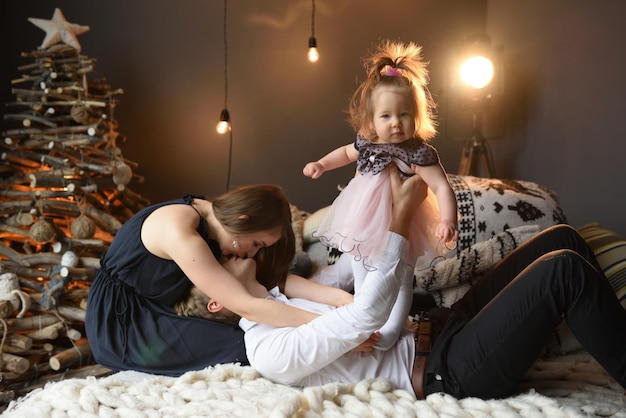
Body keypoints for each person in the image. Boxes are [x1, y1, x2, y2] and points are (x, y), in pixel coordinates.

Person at [200, 172, 626, 400]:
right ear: (217, 302)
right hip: (450, 369)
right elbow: (373, 320)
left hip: (441, 326)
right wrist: (399, 224)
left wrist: (382, 215)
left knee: (562, 238)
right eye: (221, 263)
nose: (236, 254)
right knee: (563, 270)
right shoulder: (270, 352)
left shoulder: (288, 295)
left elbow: (372, 301)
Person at [85, 185, 351, 376]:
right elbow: (247, 306)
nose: (253, 254)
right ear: (241, 220)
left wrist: (340, 299)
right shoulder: (179, 230)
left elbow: (273, 280)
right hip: (122, 326)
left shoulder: (211, 219)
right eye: (256, 244)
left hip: (157, 309)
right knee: (248, 346)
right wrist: (334, 331)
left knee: (264, 335)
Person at [303, 39, 458, 350]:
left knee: (401, 281)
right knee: (363, 272)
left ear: (417, 116)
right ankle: (365, 320)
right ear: (371, 121)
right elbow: (346, 153)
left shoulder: (418, 153)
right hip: (364, 223)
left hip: (402, 229)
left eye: (404, 115)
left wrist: (448, 218)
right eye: (386, 116)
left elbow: (442, 186)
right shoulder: (366, 142)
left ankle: (390, 331)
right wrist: (322, 163)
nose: (396, 123)